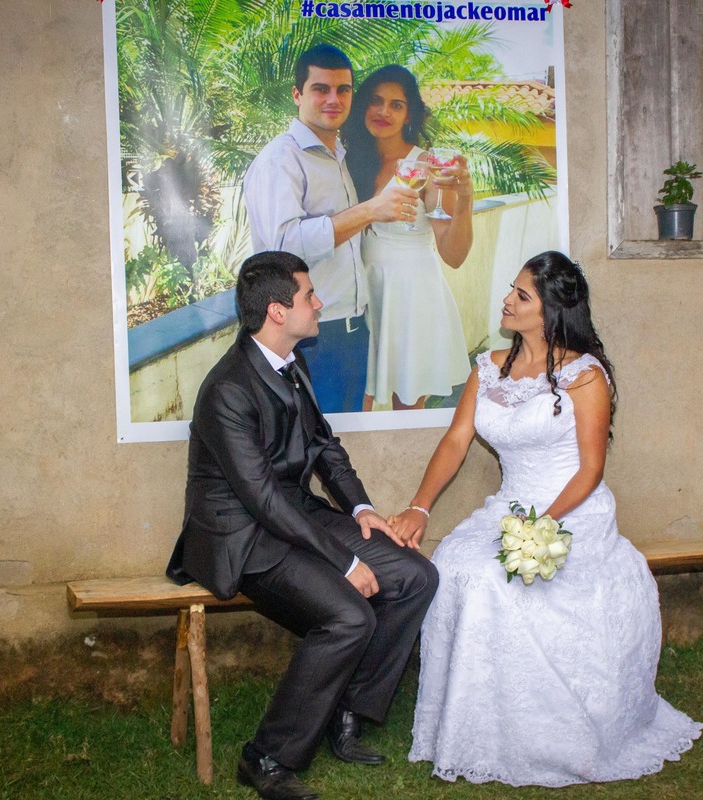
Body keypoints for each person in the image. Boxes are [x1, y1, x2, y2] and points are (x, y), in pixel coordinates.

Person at [389, 251, 701, 786]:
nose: (507, 301)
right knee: (456, 564)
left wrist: (542, 526)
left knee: (496, 580)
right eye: (511, 290)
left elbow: (591, 469)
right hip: (510, 505)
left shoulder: (584, 375)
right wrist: (419, 506)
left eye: (521, 295)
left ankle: (545, 730)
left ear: (551, 309)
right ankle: (475, 724)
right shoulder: (489, 367)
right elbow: (457, 439)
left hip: (572, 509)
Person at [166, 251, 439, 800]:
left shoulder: (293, 362)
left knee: (416, 577)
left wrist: (361, 510)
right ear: (277, 311)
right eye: (309, 296)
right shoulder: (227, 390)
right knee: (349, 616)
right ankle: (266, 758)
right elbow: (262, 499)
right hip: (243, 536)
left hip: (294, 515)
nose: (319, 303)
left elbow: (324, 447)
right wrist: (346, 560)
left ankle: (346, 711)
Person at [243, 45, 418, 414]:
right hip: (310, 338)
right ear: (297, 94)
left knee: (343, 442)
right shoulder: (282, 158)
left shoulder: (337, 155)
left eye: (343, 90)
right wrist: (370, 210)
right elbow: (283, 247)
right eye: (320, 89)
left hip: (350, 332)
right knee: (309, 442)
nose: (333, 99)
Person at [342, 65, 473, 411]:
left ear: (409, 115)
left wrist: (465, 199)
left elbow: (454, 255)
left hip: (411, 297)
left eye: (396, 105)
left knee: (407, 407)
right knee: (354, 402)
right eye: (376, 101)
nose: (383, 111)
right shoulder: (348, 161)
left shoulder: (426, 167)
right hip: (360, 293)